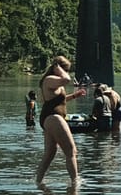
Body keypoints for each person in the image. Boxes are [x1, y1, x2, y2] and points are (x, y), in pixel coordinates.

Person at [35, 54, 87, 185]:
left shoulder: (54, 82)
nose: (67, 73)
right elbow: (67, 79)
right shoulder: (50, 79)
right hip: (53, 118)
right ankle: (75, 183)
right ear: (58, 68)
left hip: (50, 118)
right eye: (66, 69)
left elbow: (59, 100)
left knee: (50, 154)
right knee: (71, 151)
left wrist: (74, 96)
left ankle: (38, 182)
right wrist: (59, 69)